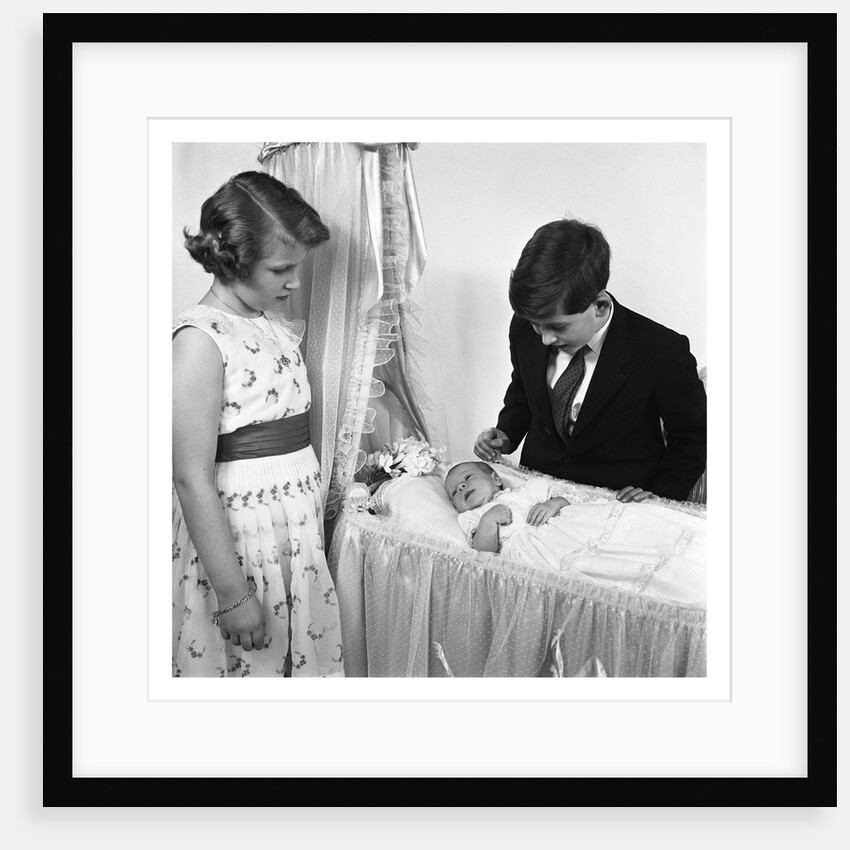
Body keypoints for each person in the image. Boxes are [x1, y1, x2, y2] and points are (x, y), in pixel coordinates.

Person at [172, 170, 344, 677]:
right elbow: (189, 475)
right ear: (231, 260)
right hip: (242, 546)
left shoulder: (268, 321)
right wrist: (231, 593)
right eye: (281, 269)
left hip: (292, 534)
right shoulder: (200, 342)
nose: (294, 282)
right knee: (251, 666)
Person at [474, 219, 706, 503]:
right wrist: (507, 432)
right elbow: (523, 388)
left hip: (616, 505)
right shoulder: (524, 327)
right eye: (537, 325)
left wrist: (660, 496)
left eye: (558, 327)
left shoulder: (662, 351)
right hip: (538, 493)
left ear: (600, 306)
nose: (545, 339)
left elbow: (693, 437)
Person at [443, 461, 705, 604]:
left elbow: (569, 500)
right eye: (455, 491)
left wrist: (552, 504)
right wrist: (489, 521)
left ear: (496, 478)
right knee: (592, 572)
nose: (462, 486)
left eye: (467, 477)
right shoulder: (472, 517)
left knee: (617, 533)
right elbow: (483, 557)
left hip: (572, 529)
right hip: (540, 555)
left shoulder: (529, 489)